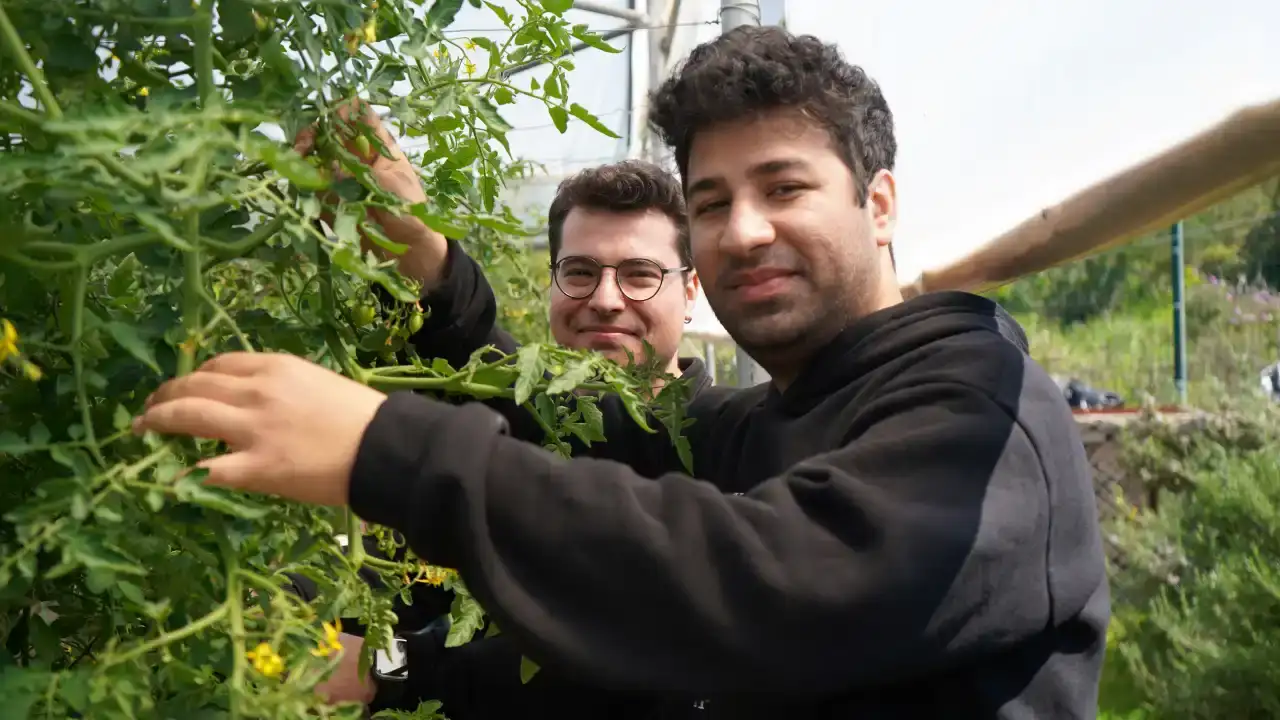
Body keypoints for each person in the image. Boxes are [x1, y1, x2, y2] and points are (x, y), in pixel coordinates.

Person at [135, 25, 1107, 719]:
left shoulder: (978, 414)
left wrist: (386, 446)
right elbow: (573, 432)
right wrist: (426, 266)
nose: (745, 228)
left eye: (784, 187)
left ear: (879, 203)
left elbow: (764, 583)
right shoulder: (774, 414)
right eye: (715, 200)